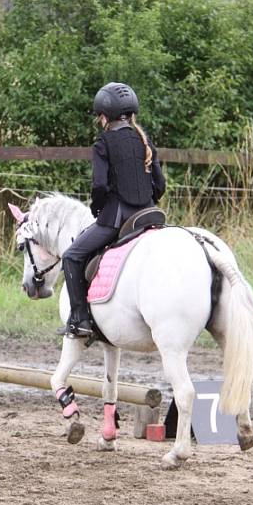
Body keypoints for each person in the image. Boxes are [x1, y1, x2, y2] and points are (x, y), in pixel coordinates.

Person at [61, 82, 166, 338]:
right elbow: (160, 184)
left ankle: (79, 320)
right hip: (149, 216)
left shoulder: (103, 143)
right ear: (131, 114)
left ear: (104, 116)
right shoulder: (145, 141)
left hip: (117, 219)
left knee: (71, 256)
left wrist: (98, 209)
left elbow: (99, 185)